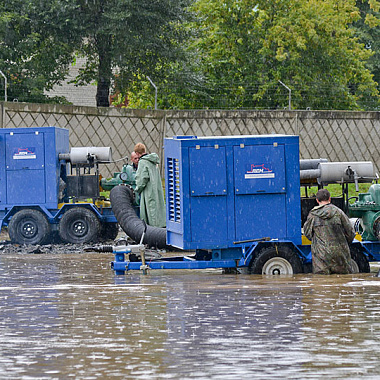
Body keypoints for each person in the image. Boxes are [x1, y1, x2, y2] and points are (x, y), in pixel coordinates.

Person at [303, 188, 355, 275]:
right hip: (340, 254)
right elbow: (350, 232)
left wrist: (318, 243)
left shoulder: (312, 215)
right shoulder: (339, 212)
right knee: (342, 282)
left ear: (317, 200)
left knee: (322, 283)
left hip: (321, 256)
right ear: (330, 198)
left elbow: (307, 233)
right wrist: (344, 243)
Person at [134, 143, 166, 227]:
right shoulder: (153, 161)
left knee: (151, 213)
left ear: (137, 153)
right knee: (158, 210)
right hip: (157, 189)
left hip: (148, 192)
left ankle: (153, 233)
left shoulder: (143, 162)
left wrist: (136, 190)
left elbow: (141, 179)